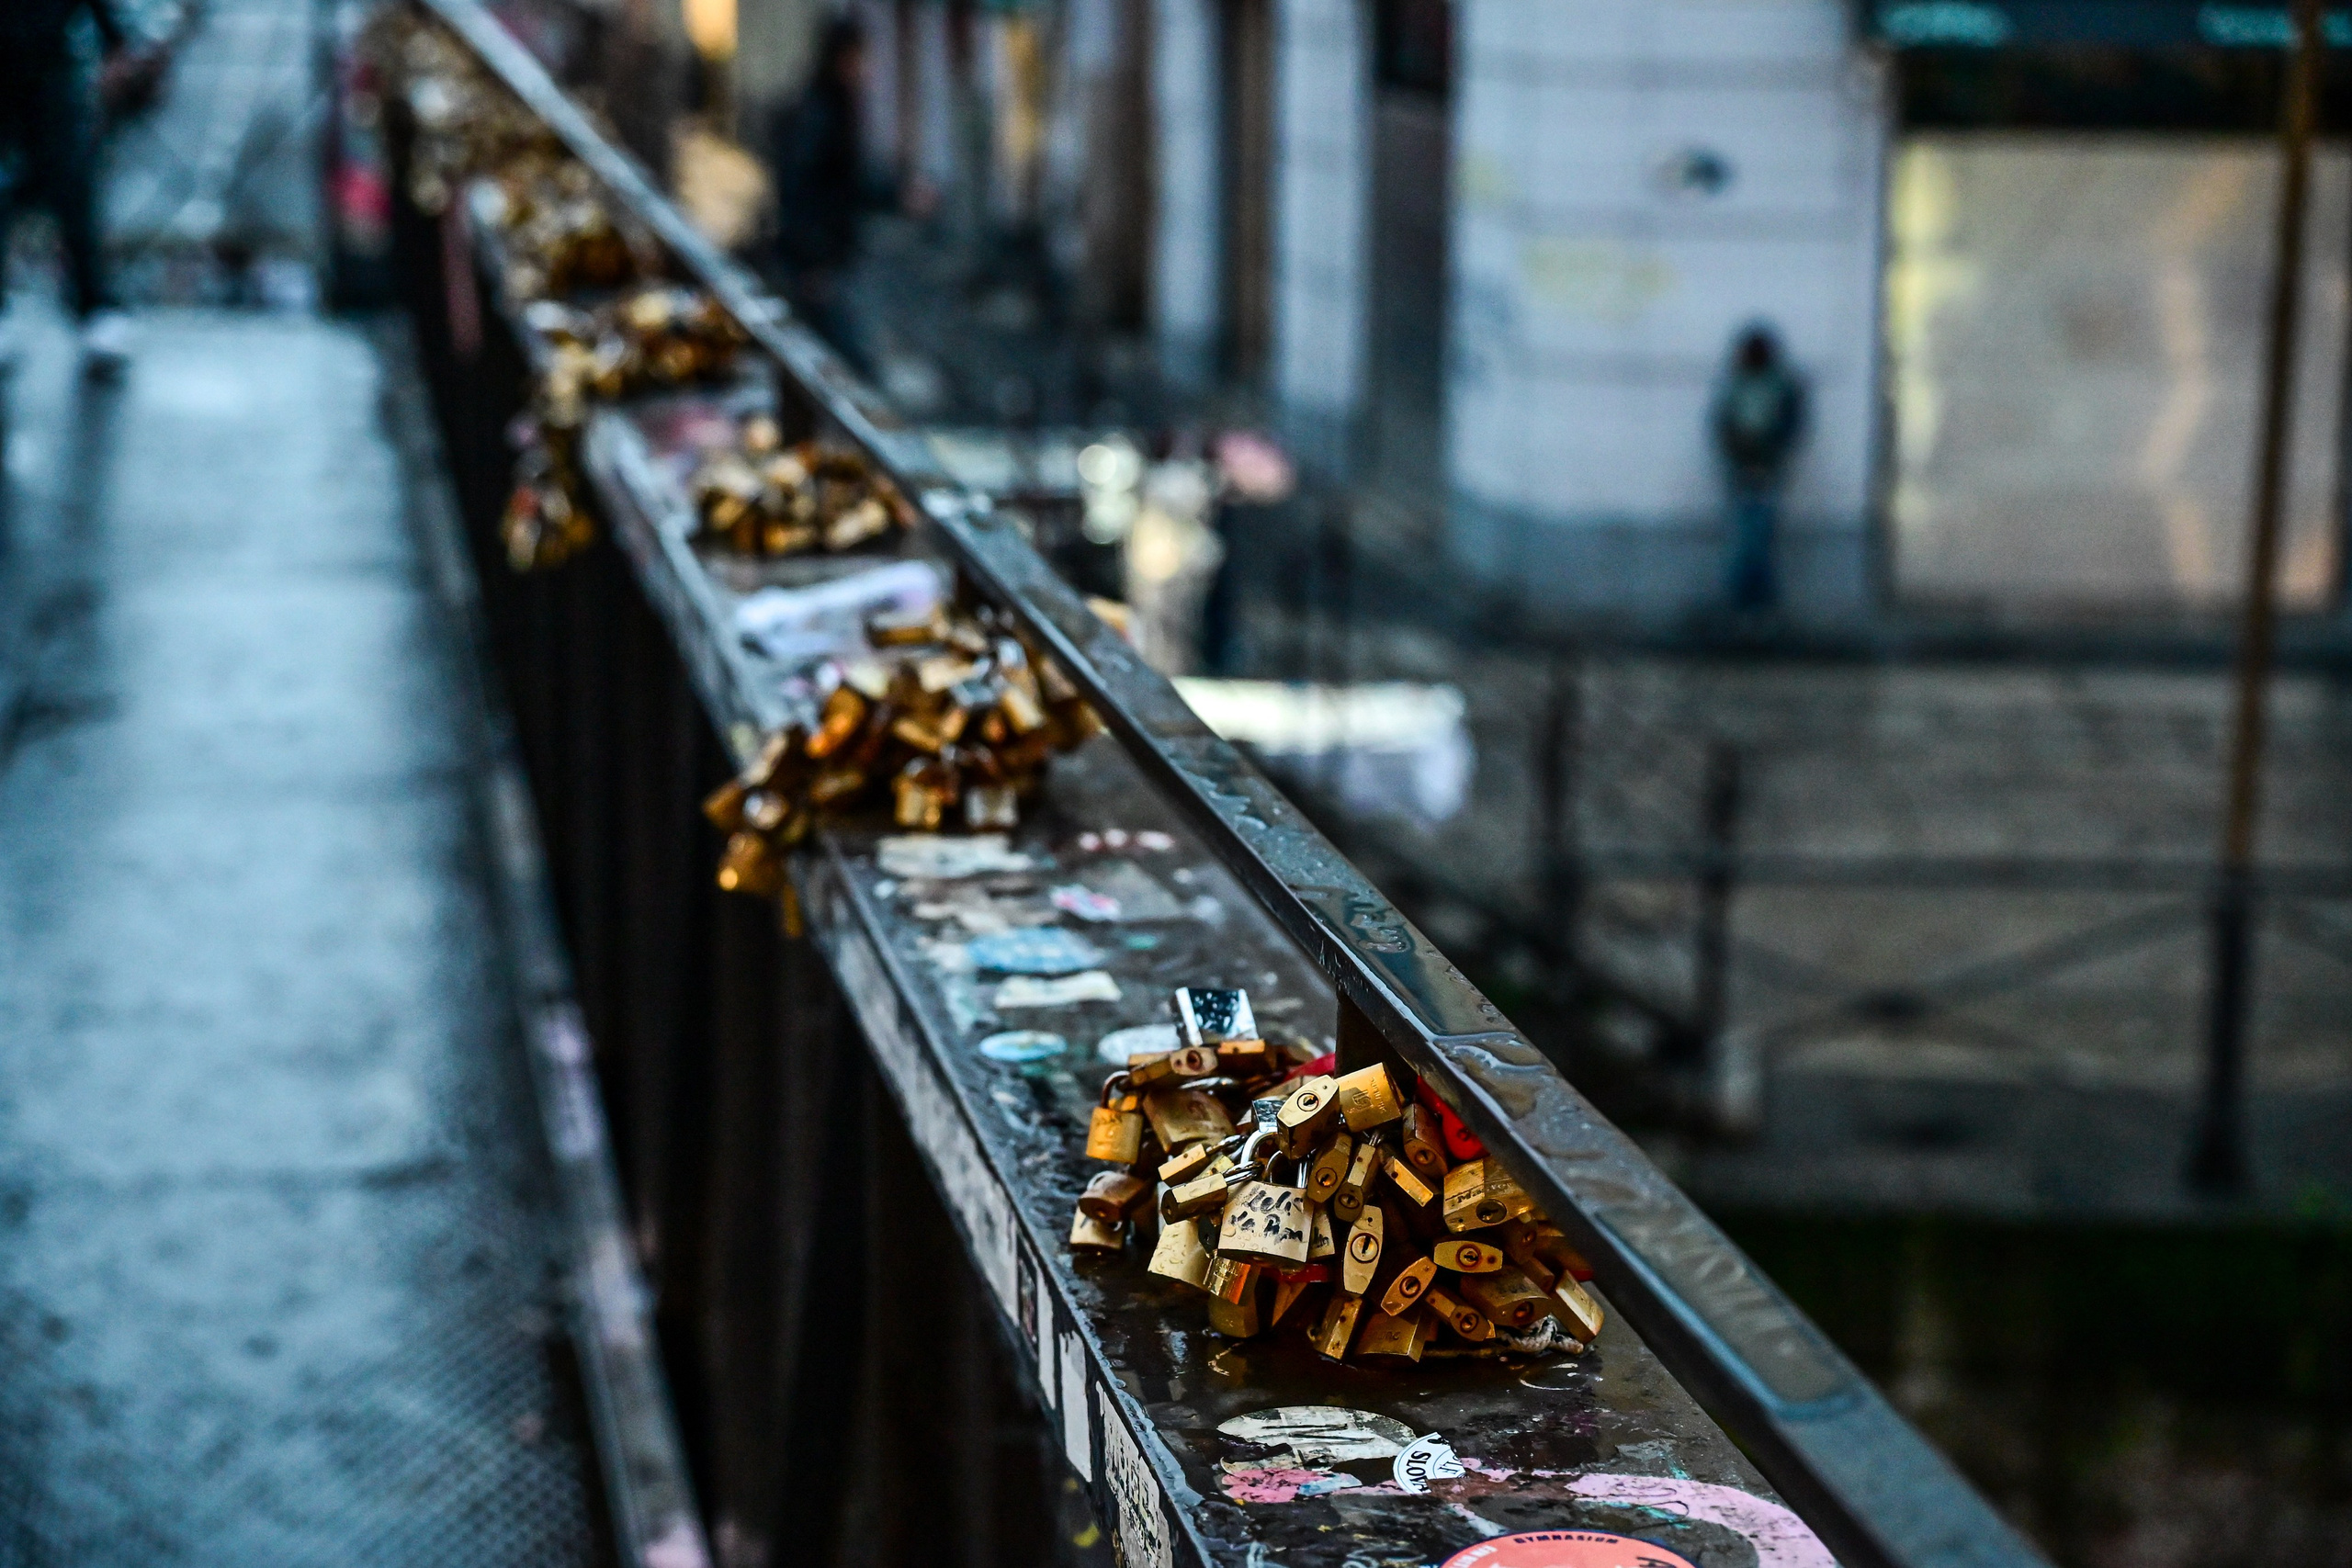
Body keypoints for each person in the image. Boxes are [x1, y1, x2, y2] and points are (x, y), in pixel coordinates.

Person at [0, 0, 139, 375]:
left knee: (72, 183)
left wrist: (114, 39)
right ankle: (95, 310)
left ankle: (97, 308)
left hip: (50, 62)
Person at [770, 17, 879, 367]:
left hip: (825, 258)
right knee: (839, 361)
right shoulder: (820, 115)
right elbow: (800, 188)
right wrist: (811, 262)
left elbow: (847, 183)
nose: (865, 69)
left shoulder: (833, 108)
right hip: (817, 263)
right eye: (860, 58)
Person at [1711, 323, 1805, 613]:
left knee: (1756, 538)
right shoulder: (1737, 383)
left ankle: (1755, 604)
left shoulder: (1780, 385)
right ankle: (1750, 604)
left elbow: (1789, 426)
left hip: (1766, 469)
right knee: (1748, 537)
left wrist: (1767, 455)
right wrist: (1739, 455)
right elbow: (1722, 424)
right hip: (1742, 469)